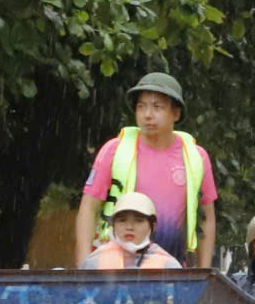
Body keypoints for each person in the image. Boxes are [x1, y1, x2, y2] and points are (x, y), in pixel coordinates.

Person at [75, 73, 218, 268]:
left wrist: (204, 272)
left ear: (176, 113)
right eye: (141, 106)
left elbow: (207, 218)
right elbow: (89, 207)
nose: (147, 114)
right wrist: (84, 267)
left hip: (173, 270)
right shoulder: (115, 150)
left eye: (157, 107)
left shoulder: (196, 157)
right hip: (114, 270)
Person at [79, 193, 181, 269]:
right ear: (113, 225)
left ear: (152, 226)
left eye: (138, 221)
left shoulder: (169, 265)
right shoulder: (94, 261)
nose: (129, 227)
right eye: (122, 220)